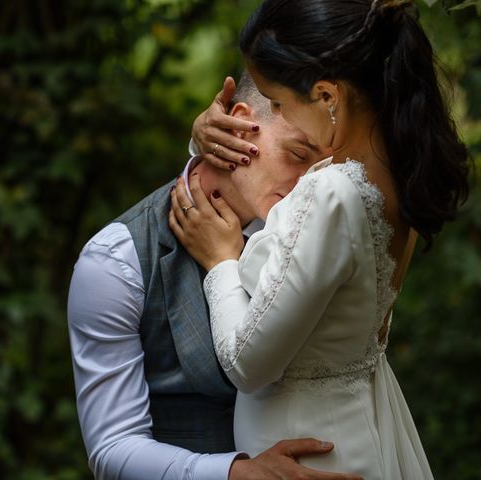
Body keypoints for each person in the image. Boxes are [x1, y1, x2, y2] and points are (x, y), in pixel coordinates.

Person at [169, 0, 470, 479]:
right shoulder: (393, 169)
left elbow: (248, 363)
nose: (278, 115)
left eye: (280, 103)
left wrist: (220, 261)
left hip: (315, 457)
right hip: (350, 430)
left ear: (328, 97)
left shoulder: (332, 193)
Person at [67, 73, 362, 480]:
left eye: (320, 168)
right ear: (238, 126)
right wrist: (237, 474)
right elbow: (112, 448)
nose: (309, 184)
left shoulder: (311, 230)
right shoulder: (115, 262)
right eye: (297, 154)